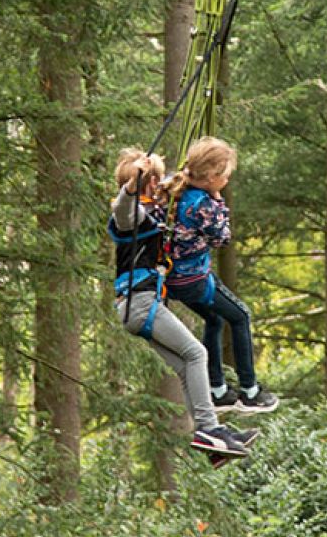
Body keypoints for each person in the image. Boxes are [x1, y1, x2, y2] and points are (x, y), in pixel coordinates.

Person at [108, 148, 254, 458]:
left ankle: (210, 439)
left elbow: (173, 189)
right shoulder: (131, 217)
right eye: (156, 180)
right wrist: (133, 181)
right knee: (196, 353)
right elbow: (123, 207)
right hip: (141, 304)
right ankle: (209, 430)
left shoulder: (151, 214)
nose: (161, 184)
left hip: (139, 306)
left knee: (188, 366)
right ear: (145, 184)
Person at [162, 137, 279, 414]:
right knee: (241, 316)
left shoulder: (176, 190)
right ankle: (250, 390)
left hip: (172, 278)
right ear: (212, 177)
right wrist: (218, 202)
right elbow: (222, 239)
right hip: (195, 280)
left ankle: (217, 389)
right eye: (225, 176)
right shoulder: (204, 204)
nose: (227, 181)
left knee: (213, 319)